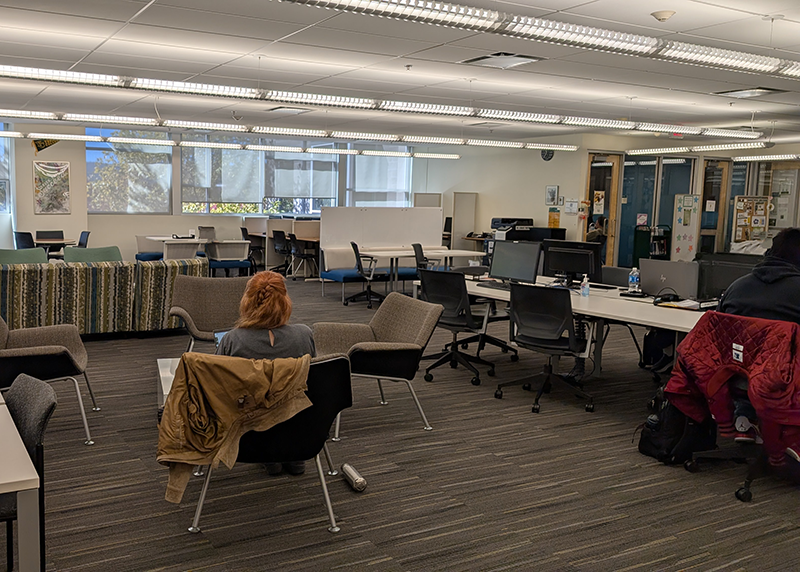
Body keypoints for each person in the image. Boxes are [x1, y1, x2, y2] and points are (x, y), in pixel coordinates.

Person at [216, 270, 316, 475]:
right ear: (285, 302)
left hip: (250, 433)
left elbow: (219, 388)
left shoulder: (232, 340)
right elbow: (312, 380)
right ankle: (293, 456)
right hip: (300, 427)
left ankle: (270, 457)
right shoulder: (304, 335)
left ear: (247, 302)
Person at [717, 227, 800, 443]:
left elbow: (717, 332)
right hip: (785, 381)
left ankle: (744, 418)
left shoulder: (737, 286)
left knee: (753, 358)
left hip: (735, 376)